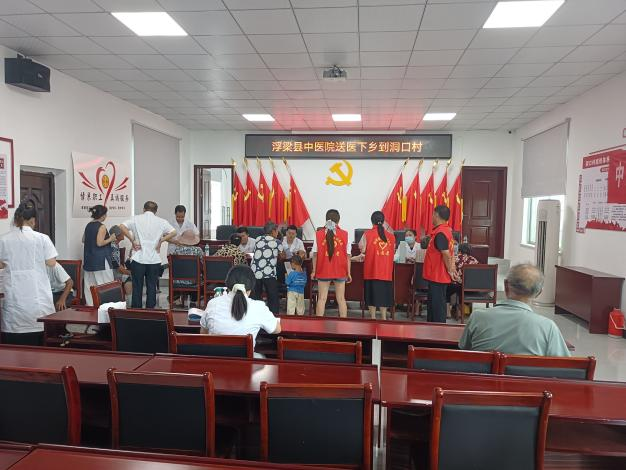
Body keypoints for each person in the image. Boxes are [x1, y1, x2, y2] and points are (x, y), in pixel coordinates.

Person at [459, 264, 571, 356]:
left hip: (482, 377)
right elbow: (564, 365)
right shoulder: (548, 327)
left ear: (506, 285)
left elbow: (464, 350)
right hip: (525, 378)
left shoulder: (478, 317)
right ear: (539, 293)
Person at [0, 201, 58, 345]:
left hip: (14, 300)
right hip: (37, 299)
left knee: (14, 346)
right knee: (39, 341)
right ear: (33, 220)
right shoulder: (42, 238)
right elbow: (51, 262)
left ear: (15, 220)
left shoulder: (3, 239)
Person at [200, 265, 281, 348]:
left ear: (227, 284)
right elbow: (277, 329)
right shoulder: (258, 307)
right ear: (251, 287)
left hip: (215, 356)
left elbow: (203, 333)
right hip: (247, 357)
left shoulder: (213, 304)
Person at [120, 201, 176, 308]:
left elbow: (122, 226)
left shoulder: (136, 219)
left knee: (137, 286)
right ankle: (150, 311)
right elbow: (174, 232)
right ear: (155, 211)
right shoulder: (162, 221)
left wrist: (132, 240)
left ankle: (137, 311)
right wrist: (161, 240)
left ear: (144, 209)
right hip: (154, 259)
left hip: (138, 258)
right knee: (152, 286)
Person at [311, 209, 351, 317]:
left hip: (323, 270)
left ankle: (319, 324)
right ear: (338, 220)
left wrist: (314, 271)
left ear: (326, 220)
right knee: (341, 299)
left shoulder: (318, 234)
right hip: (340, 270)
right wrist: (349, 273)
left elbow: (315, 255)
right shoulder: (345, 234)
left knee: (321, 298)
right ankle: (343, 324)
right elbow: (348, 256)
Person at [423, 205, 456, 323]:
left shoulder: (441, 233)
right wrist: (452, 268)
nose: (432, 217)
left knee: (437, 308)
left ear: (436, 215)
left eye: (433, 214)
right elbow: (451, 253)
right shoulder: (446, 231)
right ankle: (432, 328)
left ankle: (439, 330)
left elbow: (446, 254)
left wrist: (450, 270)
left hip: (438, 276)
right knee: (433, 306)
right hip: (436, 276)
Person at [361, 211, 395, 320]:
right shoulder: (391, 236)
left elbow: (362, 249)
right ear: (383, 221)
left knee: (371, 296)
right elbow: (393, 251)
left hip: (371, 271)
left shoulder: (367, 234)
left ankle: (373, 318)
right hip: (386, 272)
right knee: (383, 297)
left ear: (372, 221)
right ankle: (384, 318)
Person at [82, 205, 116, 306]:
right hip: (101, 261)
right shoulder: (102, 226)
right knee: (105, 285)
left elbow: (83, 240)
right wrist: (111, 238)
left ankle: (91, 308)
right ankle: (107, 308)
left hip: (89, 260)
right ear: (102, 215)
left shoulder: (88, 225)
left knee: (90, 286)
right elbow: (99, 243)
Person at [250, 221, 283, 315]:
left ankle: (255, 315)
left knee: (255, 297)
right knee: (273, 297)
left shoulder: (257, 239)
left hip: (255, 272)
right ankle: (273, 316)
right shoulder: (277, 242)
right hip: (269, 273)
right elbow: (283, 256)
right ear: (273, 231)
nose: (277, 233)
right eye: (277, 231)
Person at [448, 243, 479, 318]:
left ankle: (448, 312)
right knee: (462, 289)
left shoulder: (454, 258)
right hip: (469, 287)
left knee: (446, 289)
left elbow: (449, 271)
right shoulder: (474, 260)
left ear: (459, 250)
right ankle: (464, 311)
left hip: (455, 285)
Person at [110, 227, 132, 296]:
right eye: (122, 233)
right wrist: (130, 273)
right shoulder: (113, 246)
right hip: (112, 273)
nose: (124, 234)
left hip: (115, 270)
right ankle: (129, 300)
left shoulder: (115, 245)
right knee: (128, 278)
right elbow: (117, 266)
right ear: (117, 235)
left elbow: (118, 263)